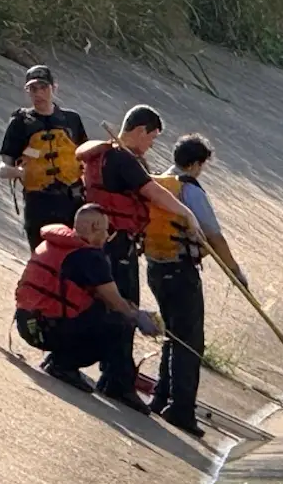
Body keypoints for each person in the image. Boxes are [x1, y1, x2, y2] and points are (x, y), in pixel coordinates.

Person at [77, 104, 203, 400]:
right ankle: (118, 381)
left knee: (112, 307)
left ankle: (112, 373)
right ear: (139, 131)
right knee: (125, 308)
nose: (151, 144)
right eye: (152, 138)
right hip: (119, 246)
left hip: (105, 242)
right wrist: (187, 215)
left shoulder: (106, 155)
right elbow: (154, 192)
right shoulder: (121, 159)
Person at [143, 133, 247, 438]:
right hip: (180, 271)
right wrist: (235, 271)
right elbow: (214, 235)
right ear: (197, 164)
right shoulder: (190, 190)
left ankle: (162, 397)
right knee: (190, 342)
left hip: (155, 267)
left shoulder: (157, 183)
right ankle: (181, 410)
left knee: (174, 335)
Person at [14, 203, 163, 413]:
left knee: (102, 312)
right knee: (118, 323)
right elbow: (116, 302)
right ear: (94, 227)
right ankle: (112, 384)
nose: (107, 236)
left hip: (28, 323)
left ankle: (60, 360)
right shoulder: (89, 256)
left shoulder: (57, 243)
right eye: (105, 230)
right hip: (46, 329)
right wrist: (139, 318)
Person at [0, 65, 89, 251]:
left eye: (43, 87)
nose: (38, 93)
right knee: (43, 261)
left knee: (75, 260)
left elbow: (86, 159)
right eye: (33, 89)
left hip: (72, 202)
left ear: (54, 88)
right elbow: (2, 168)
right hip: (39, 203)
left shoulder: (72, 120)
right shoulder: (20, 123)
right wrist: (18, 171)